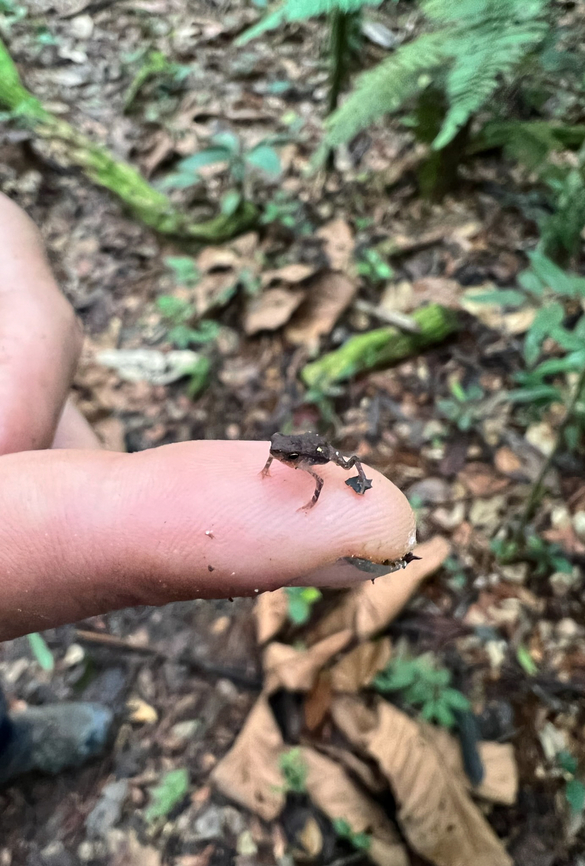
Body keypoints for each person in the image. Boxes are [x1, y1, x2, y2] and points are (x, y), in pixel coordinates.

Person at [0, 192, 415, 783]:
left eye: (289, 454)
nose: (281, 456)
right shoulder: (283, 454)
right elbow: (280, 454)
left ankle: (5, 742)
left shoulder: (315, 461)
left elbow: (319, 470)